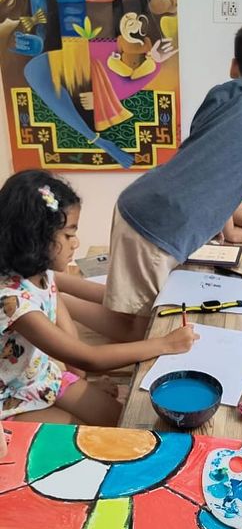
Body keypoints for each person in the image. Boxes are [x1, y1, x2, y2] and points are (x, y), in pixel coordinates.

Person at [70, 16, 242, 341]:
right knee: (139, 331)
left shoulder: (221, 93)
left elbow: (211, 168)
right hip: (158, 226)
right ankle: (49, 302)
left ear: (234, 66)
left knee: (126, 306)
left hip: (140, 203)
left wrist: (230, 232)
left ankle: (53, 289)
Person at [0, 170, 199, 426]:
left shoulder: (41, 274)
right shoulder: (12, 302)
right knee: (85, 437)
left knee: (121, 420)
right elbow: (88, 357)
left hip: (41, 377)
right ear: (33, 238)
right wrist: (165, 344)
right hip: (9, 397)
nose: (76, 243)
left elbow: (85, 313)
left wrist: (81, 382)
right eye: (68, 235)